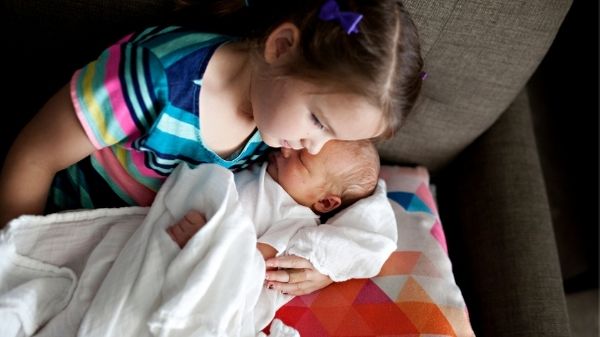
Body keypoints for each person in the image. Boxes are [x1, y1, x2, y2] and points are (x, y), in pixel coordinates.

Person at [0, 0, 422, 293]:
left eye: (334, 137)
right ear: (280, 48)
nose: (316, 148)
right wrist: (18, 262)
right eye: (318, 122)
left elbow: (364, 208)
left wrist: (326, 267)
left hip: (141, 253)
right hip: (67, 223)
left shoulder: (279, 128)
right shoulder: (154, 79)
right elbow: (34, 157)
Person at [166, 139, 396, 295]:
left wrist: (203, 244)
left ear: (325, 202)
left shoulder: (294, 220)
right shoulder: (269, 165)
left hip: (197, 244)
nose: (288, 148)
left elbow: (250, 262)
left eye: (301, 160)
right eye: (301, 144)